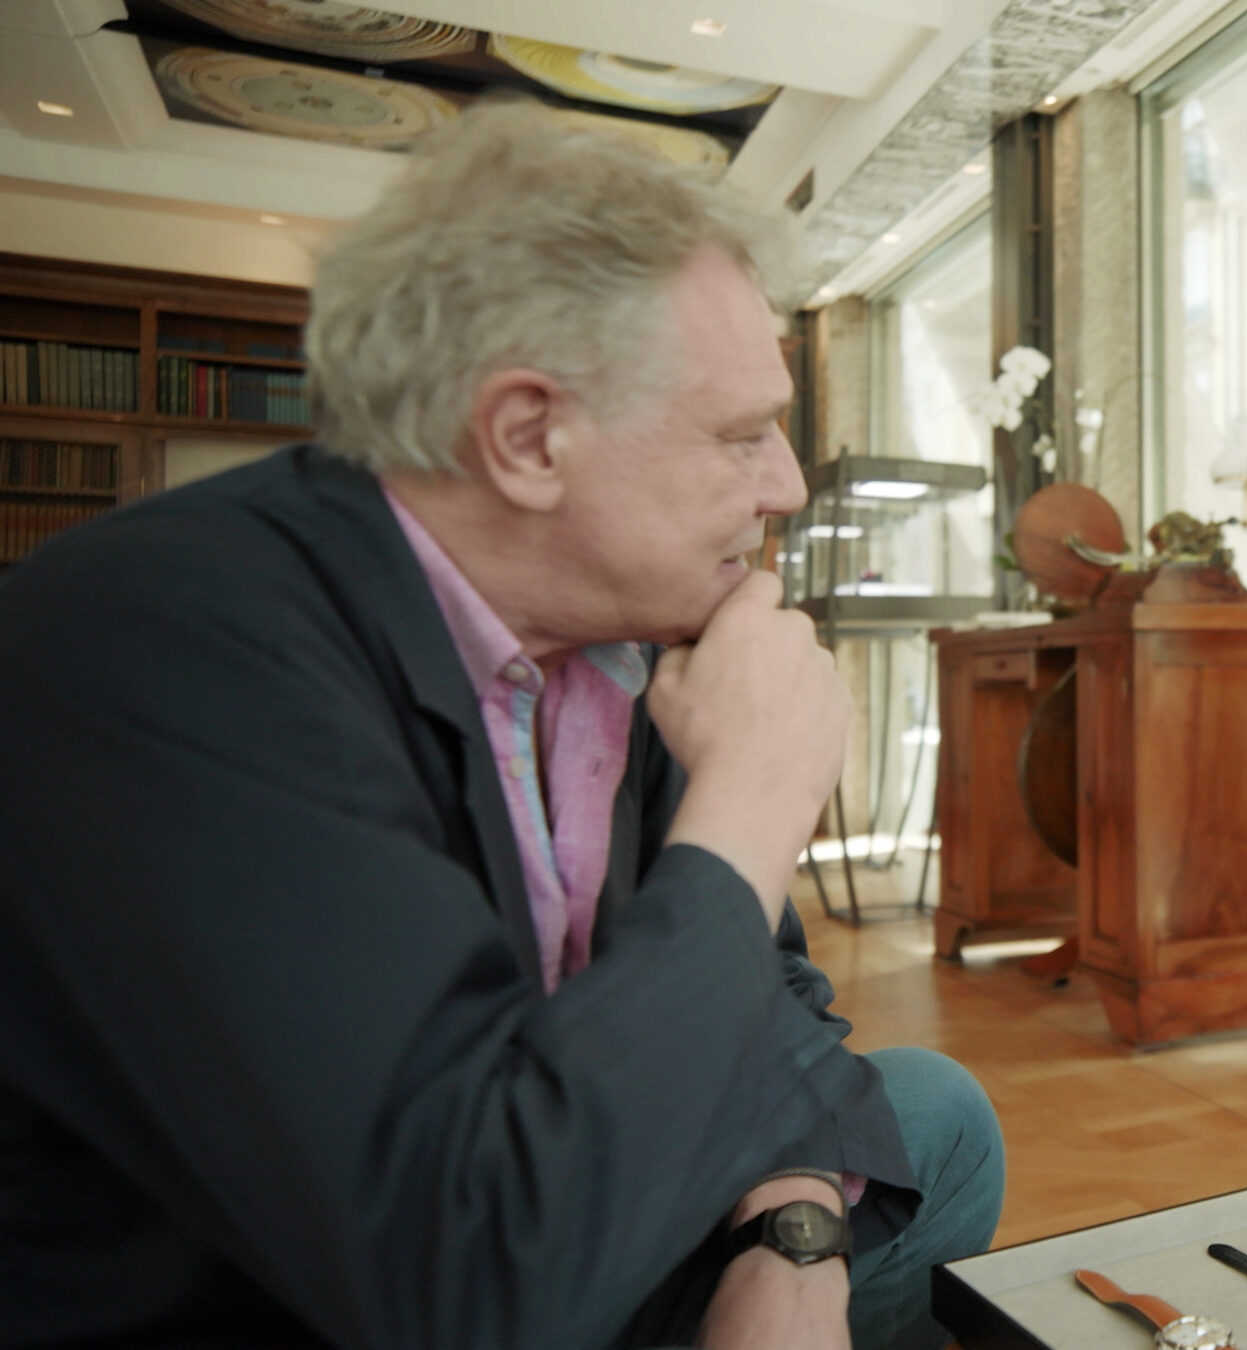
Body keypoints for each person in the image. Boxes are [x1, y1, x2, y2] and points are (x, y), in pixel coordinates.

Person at [0, 104, 999, 1350]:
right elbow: (461, 1276)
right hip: (416, 1285)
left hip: (577, 1187)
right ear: (530, 437)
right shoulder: (160, 644)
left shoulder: (616, 637)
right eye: (742, 434)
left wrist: (787, 1232)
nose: (787, 485)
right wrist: (752, 797)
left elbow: (769, 978)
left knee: (942, 1118)